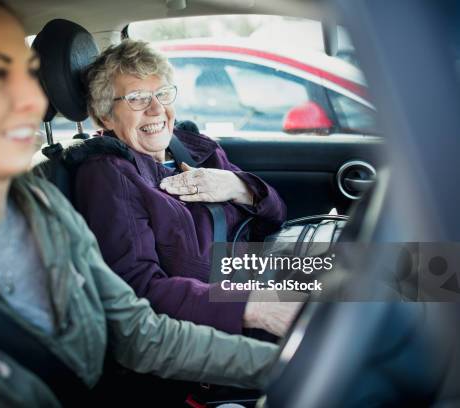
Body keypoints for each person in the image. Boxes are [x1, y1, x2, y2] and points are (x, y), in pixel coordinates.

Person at [0, 1, 280, 406]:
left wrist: (279, 368)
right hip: (225, 287)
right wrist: (255, 305)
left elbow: (139, 333)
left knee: (343, 285)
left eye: (26, 75)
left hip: (255, 267)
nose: (33, 101)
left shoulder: (39, 206)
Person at [74, 39, 298, 337]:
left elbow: (277, 213)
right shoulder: (109, 175)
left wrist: (238, 186)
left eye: (163, 94)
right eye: (138, 98)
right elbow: (138, 289)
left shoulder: (192, 147)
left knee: (369, 276)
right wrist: (255, 306)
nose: (156, 109)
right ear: (106, 116)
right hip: (220, 316)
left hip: (262, 267)